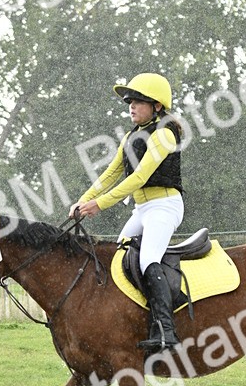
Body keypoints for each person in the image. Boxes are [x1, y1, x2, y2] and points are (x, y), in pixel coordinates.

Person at [69, 72, 184, 352]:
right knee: (118, 260)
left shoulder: (164, 133)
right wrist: (82, 201)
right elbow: (110, 174)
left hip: (164, 207)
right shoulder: (132, 136)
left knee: (147, 260)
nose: (131, 106)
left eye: (138, 101)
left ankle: (166, 331)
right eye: (129, 101)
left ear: (157, 106)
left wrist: (99, 204)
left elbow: (139, 178)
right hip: (142, 209)